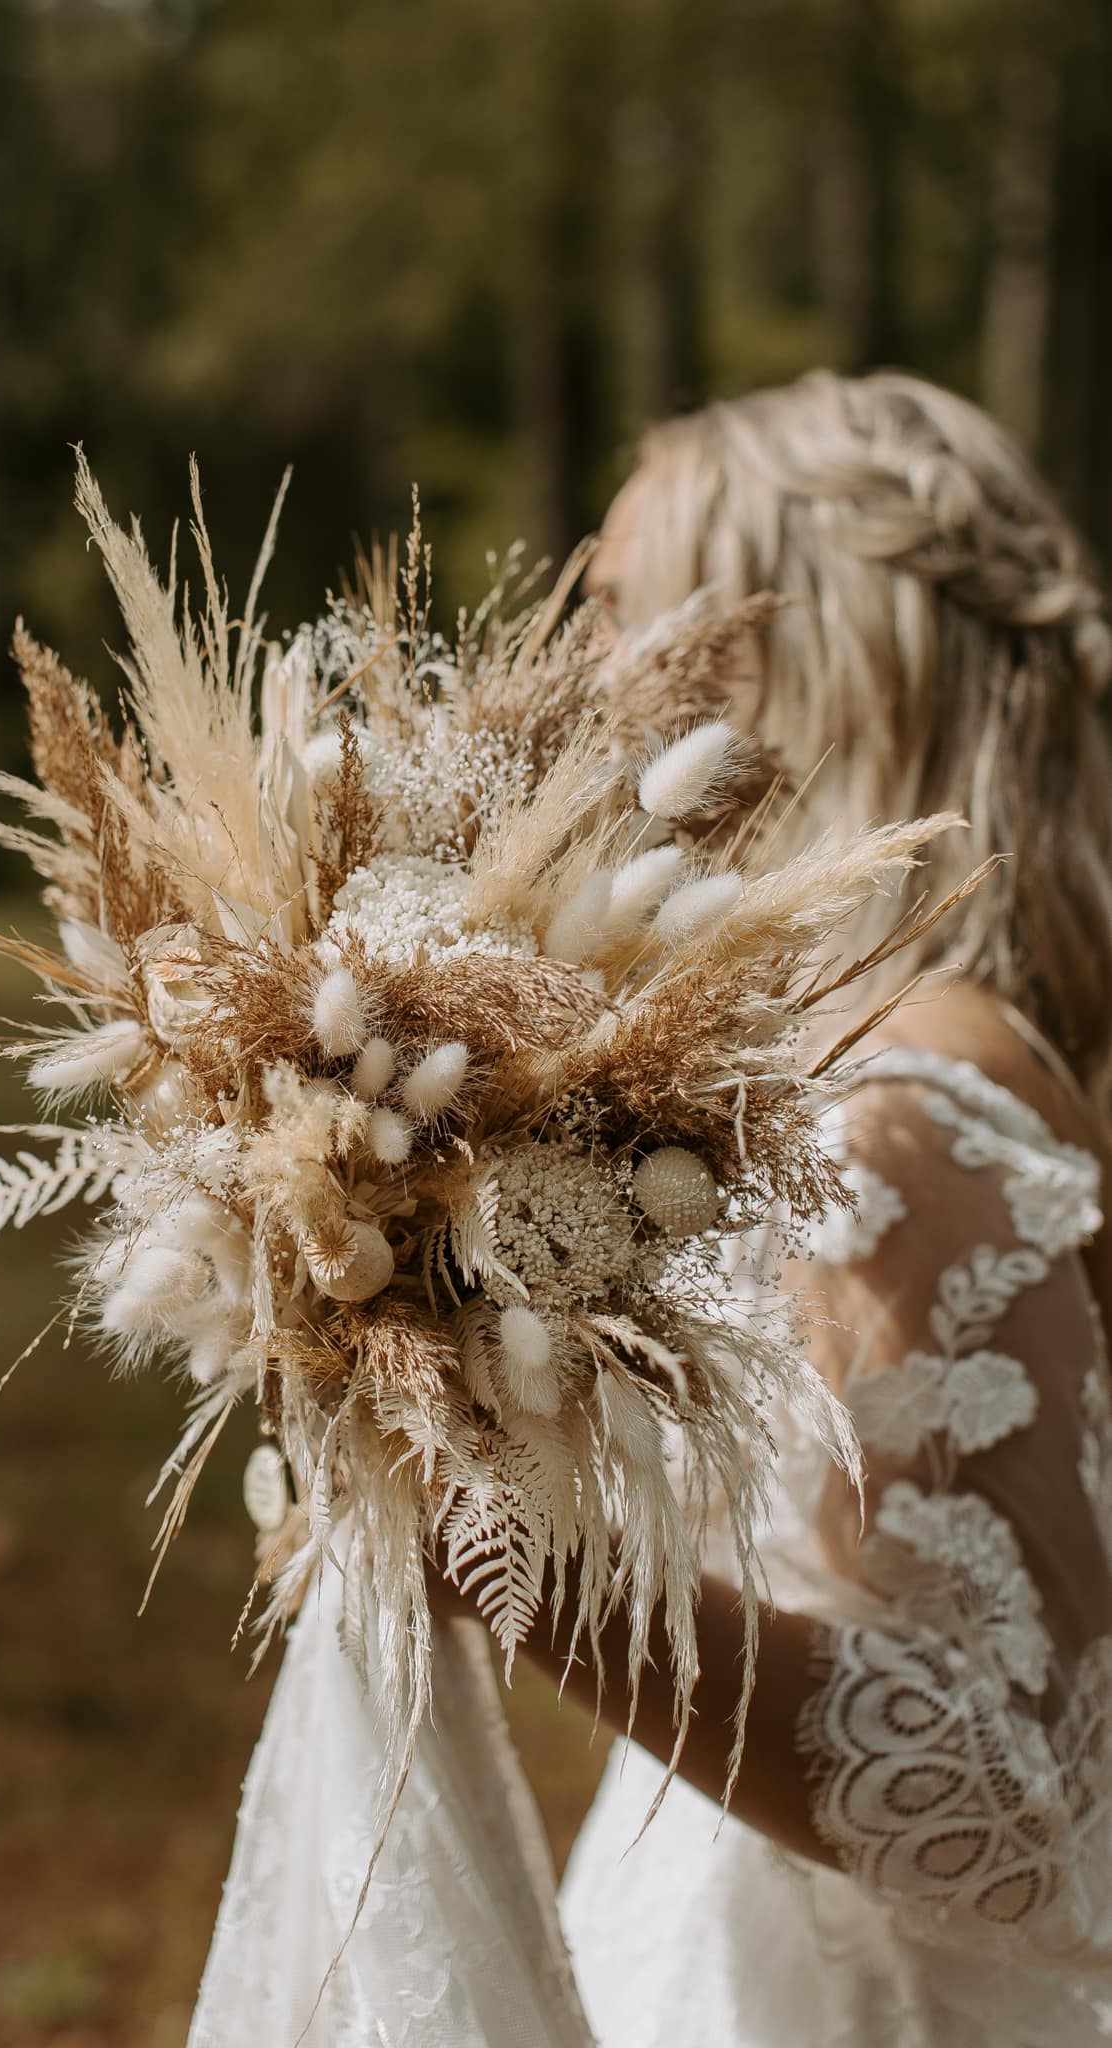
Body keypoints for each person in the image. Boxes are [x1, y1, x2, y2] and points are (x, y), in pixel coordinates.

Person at [191, 371, 1112, 2048]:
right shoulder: (816, 1087)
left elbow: (1027, 1801)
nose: (577, 673)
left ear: (784, 647)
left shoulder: (909, 1110)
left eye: (616, 606)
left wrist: (549, 1587)